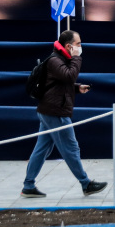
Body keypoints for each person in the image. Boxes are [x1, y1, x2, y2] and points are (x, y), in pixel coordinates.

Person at [21, 29, 108, 198]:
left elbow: (60, 83)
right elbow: (69, 76)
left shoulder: (59, 59)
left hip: (49, 110)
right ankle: (86, 184)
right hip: (56, 112)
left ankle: (28, 185)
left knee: (42, 149)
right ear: (69, 46)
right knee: (71, 148)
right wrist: (76, 58)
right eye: (78, 44)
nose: (80, 47)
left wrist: (77, 88)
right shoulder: (56, 60)